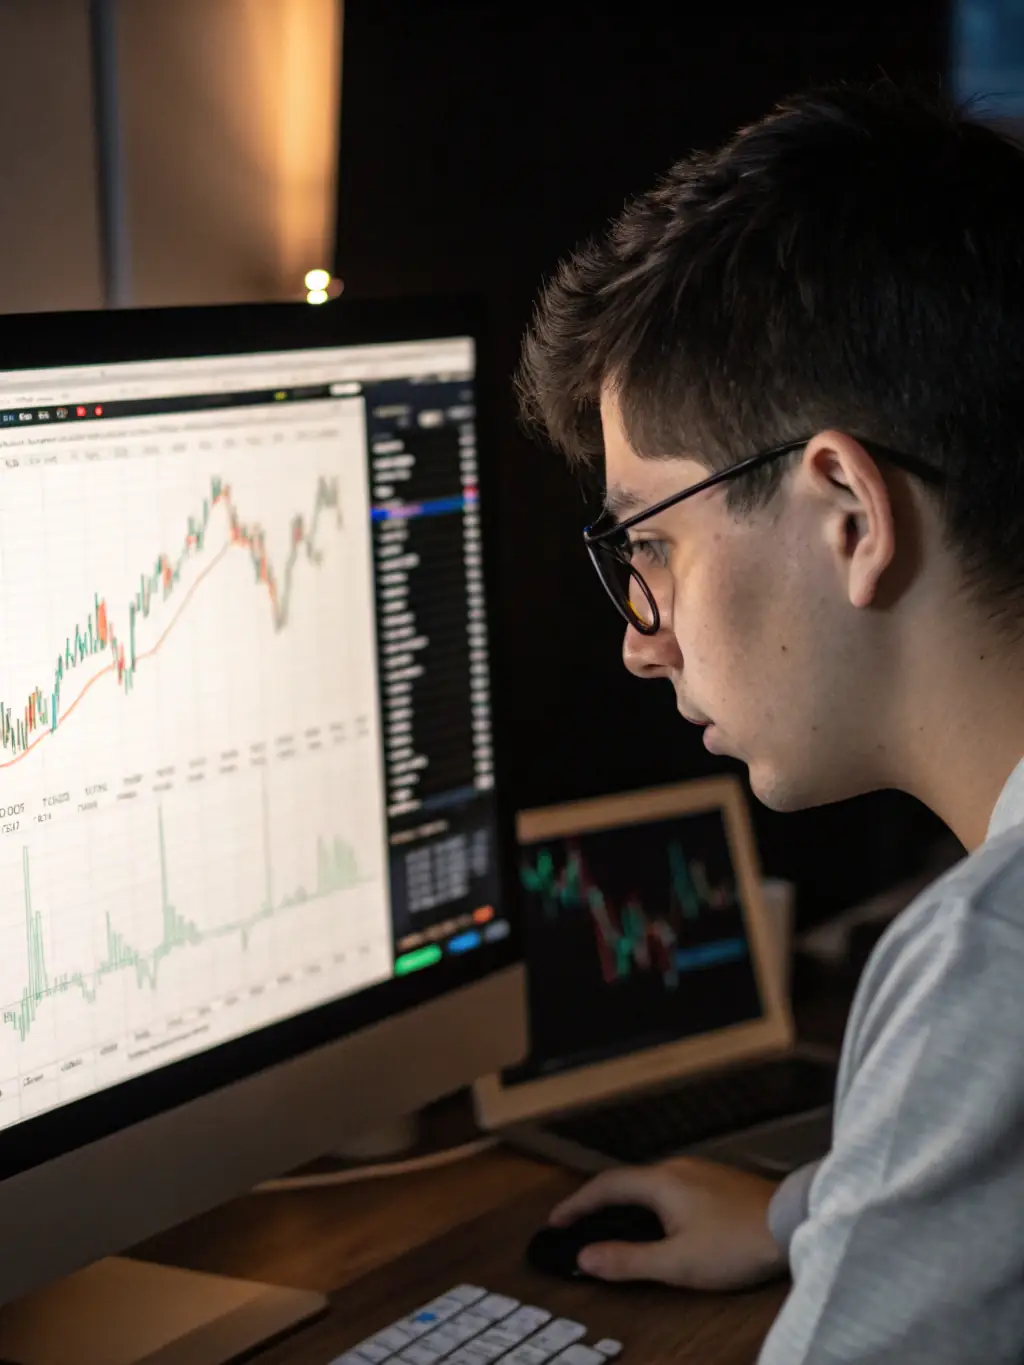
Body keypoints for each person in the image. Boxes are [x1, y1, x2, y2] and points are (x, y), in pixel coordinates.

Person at [515, 80, 1024, 1364]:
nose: (641, 638)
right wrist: (825, 1215)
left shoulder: (988, 966)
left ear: (847, 511)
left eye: (653, 543)